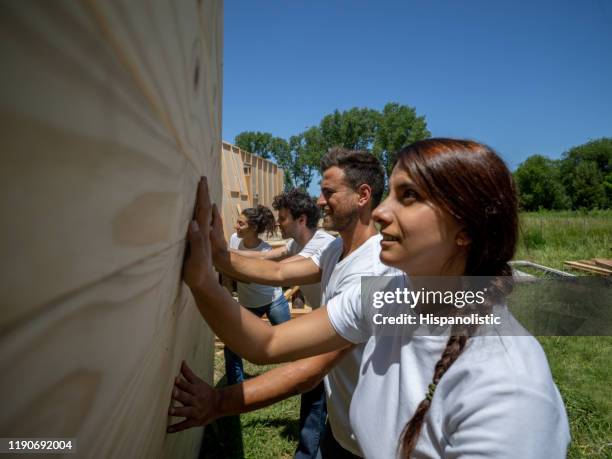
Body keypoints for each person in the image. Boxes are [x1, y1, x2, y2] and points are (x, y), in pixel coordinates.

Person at [178, 138, 570, 458]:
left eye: (409, 196)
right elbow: (268, 342)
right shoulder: (389, 298)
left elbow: (303, 364)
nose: (382, 212)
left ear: (465, 229)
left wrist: (218, 403)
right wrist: (206, 276)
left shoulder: (509, 391)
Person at [170, 149, 391, 458]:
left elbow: (306, 369)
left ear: (363, 195)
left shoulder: (372, 272)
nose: (319, 200)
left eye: (328, 192)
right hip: (343, 428)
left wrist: (218, 403)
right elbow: (278, 270)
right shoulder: (337, 248)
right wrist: (220, 256)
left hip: (370, 445)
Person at [223, 205, 291, 385]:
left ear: (253, 228)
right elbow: (230, 274)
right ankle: (235, 388)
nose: (235, 226)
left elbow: (247, 279)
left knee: (290, 345)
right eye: (237, 222)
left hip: (273, 302)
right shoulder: (233, 240)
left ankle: (300, 379)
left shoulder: (266, 251)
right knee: (231, 348)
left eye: (240, 223)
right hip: (247, 304)